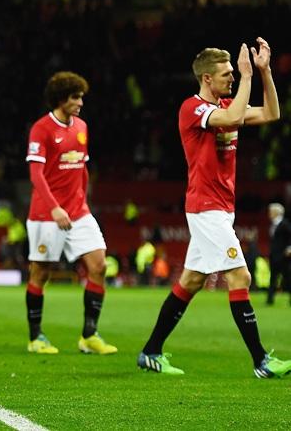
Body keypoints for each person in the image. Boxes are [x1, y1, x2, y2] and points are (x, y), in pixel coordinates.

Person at [137, 38, 291, 378]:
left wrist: (264, 72)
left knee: (191, 281)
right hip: (205, 208)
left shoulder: (222, 105)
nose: (233, 78)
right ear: (207, 78)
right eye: (227, 74)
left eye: (234, 73)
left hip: (221, 207)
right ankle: (261, 361)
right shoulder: (192, 109)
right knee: (241, 275)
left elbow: (271, 112)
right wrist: (249, 76)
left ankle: (150, 352)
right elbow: (234, 114)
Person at [24, 71, 117, 355]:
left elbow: (83, 168)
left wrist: (83, 202)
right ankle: (36, 337)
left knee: (99, 265)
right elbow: (36, 173)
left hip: (78, 212)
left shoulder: (82, 127)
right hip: (46, 214)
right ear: (61, 98)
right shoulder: (41, 128)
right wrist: (54, 207)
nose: (80, 103)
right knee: (41, 273)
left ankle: (89, 335)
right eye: (76, 97)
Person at [266, 202, 291, 305]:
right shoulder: (273, 224)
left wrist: (289, 248)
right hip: (274, 256)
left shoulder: (285, 224)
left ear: (277, 212)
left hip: (283, 257)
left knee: (288, 278)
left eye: (271, 211)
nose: (269, 213)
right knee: (273, 278)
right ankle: (270, 300)